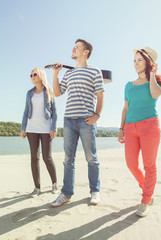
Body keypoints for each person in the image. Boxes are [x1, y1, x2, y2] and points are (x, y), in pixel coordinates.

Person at [50, 39, 105, 207]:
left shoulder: (95, 71)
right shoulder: (69, 73)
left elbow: (101, 95)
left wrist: (97, 115)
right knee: (68, 159)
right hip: (68, 121)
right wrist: (55, 73)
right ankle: (66, 194)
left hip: (86, 121)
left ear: (86, 52)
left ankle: (95, 191)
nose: (73, 49)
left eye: (77, 47)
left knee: (91, 158)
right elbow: (58, 93)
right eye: (73, 47)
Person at [118, 46, 161, 217]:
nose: (136, 63)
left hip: (150, 127)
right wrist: (121, 128)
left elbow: (154, 95)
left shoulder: (158, 81)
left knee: (149, 166)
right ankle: (147, 188)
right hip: (130, 128)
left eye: (140, 60)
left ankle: (146, 199)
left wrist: (153, 75)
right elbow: (125, 108)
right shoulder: (128, 85)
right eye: (134, 60)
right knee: (131, 164)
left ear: (149, 62)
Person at [21, 68, 59, 198]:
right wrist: (23, 128)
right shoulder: (29, 93)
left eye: (34, 74)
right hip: (31, 128)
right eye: (30, 75)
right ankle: (37, 188)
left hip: (46, 129)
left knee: (46, 157)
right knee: (34, 157)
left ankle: (54, 184)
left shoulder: (48, 91)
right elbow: (26, 111)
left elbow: (55, 112)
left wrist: (54, 128)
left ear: (41, 75)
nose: (32, 76)